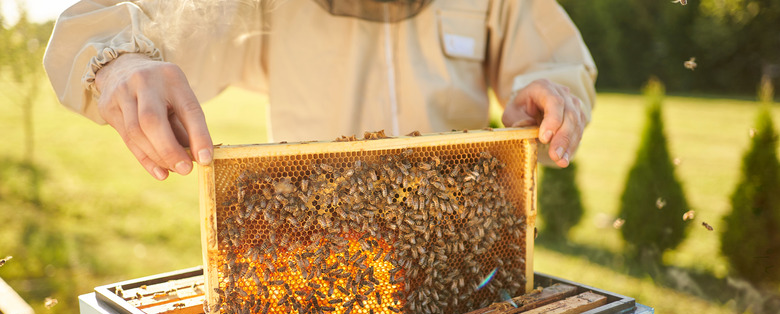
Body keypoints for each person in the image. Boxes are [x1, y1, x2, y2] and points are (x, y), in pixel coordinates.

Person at [44, 0, 596, 181]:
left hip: (462, 247)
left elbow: (556, 60)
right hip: (319, 254)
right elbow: (130, 16)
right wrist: (118, 61)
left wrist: (546, 93)